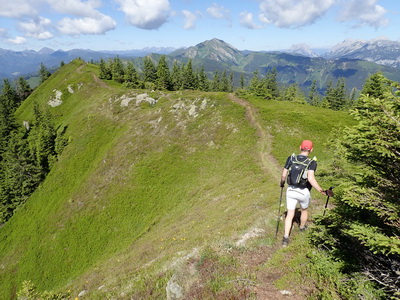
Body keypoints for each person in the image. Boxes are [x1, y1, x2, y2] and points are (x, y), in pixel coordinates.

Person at [279, 140, 332, 247]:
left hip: (291, 190)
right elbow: (311, 178)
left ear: (300, 148)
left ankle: (285, 238)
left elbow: (284, 174)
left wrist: (282, 183)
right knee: (304, 210)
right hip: (303, 191)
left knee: (290, 214)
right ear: (311, 150)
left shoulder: (291, 158)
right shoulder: (312, 162)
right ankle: (302, 228)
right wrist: (321, 191)